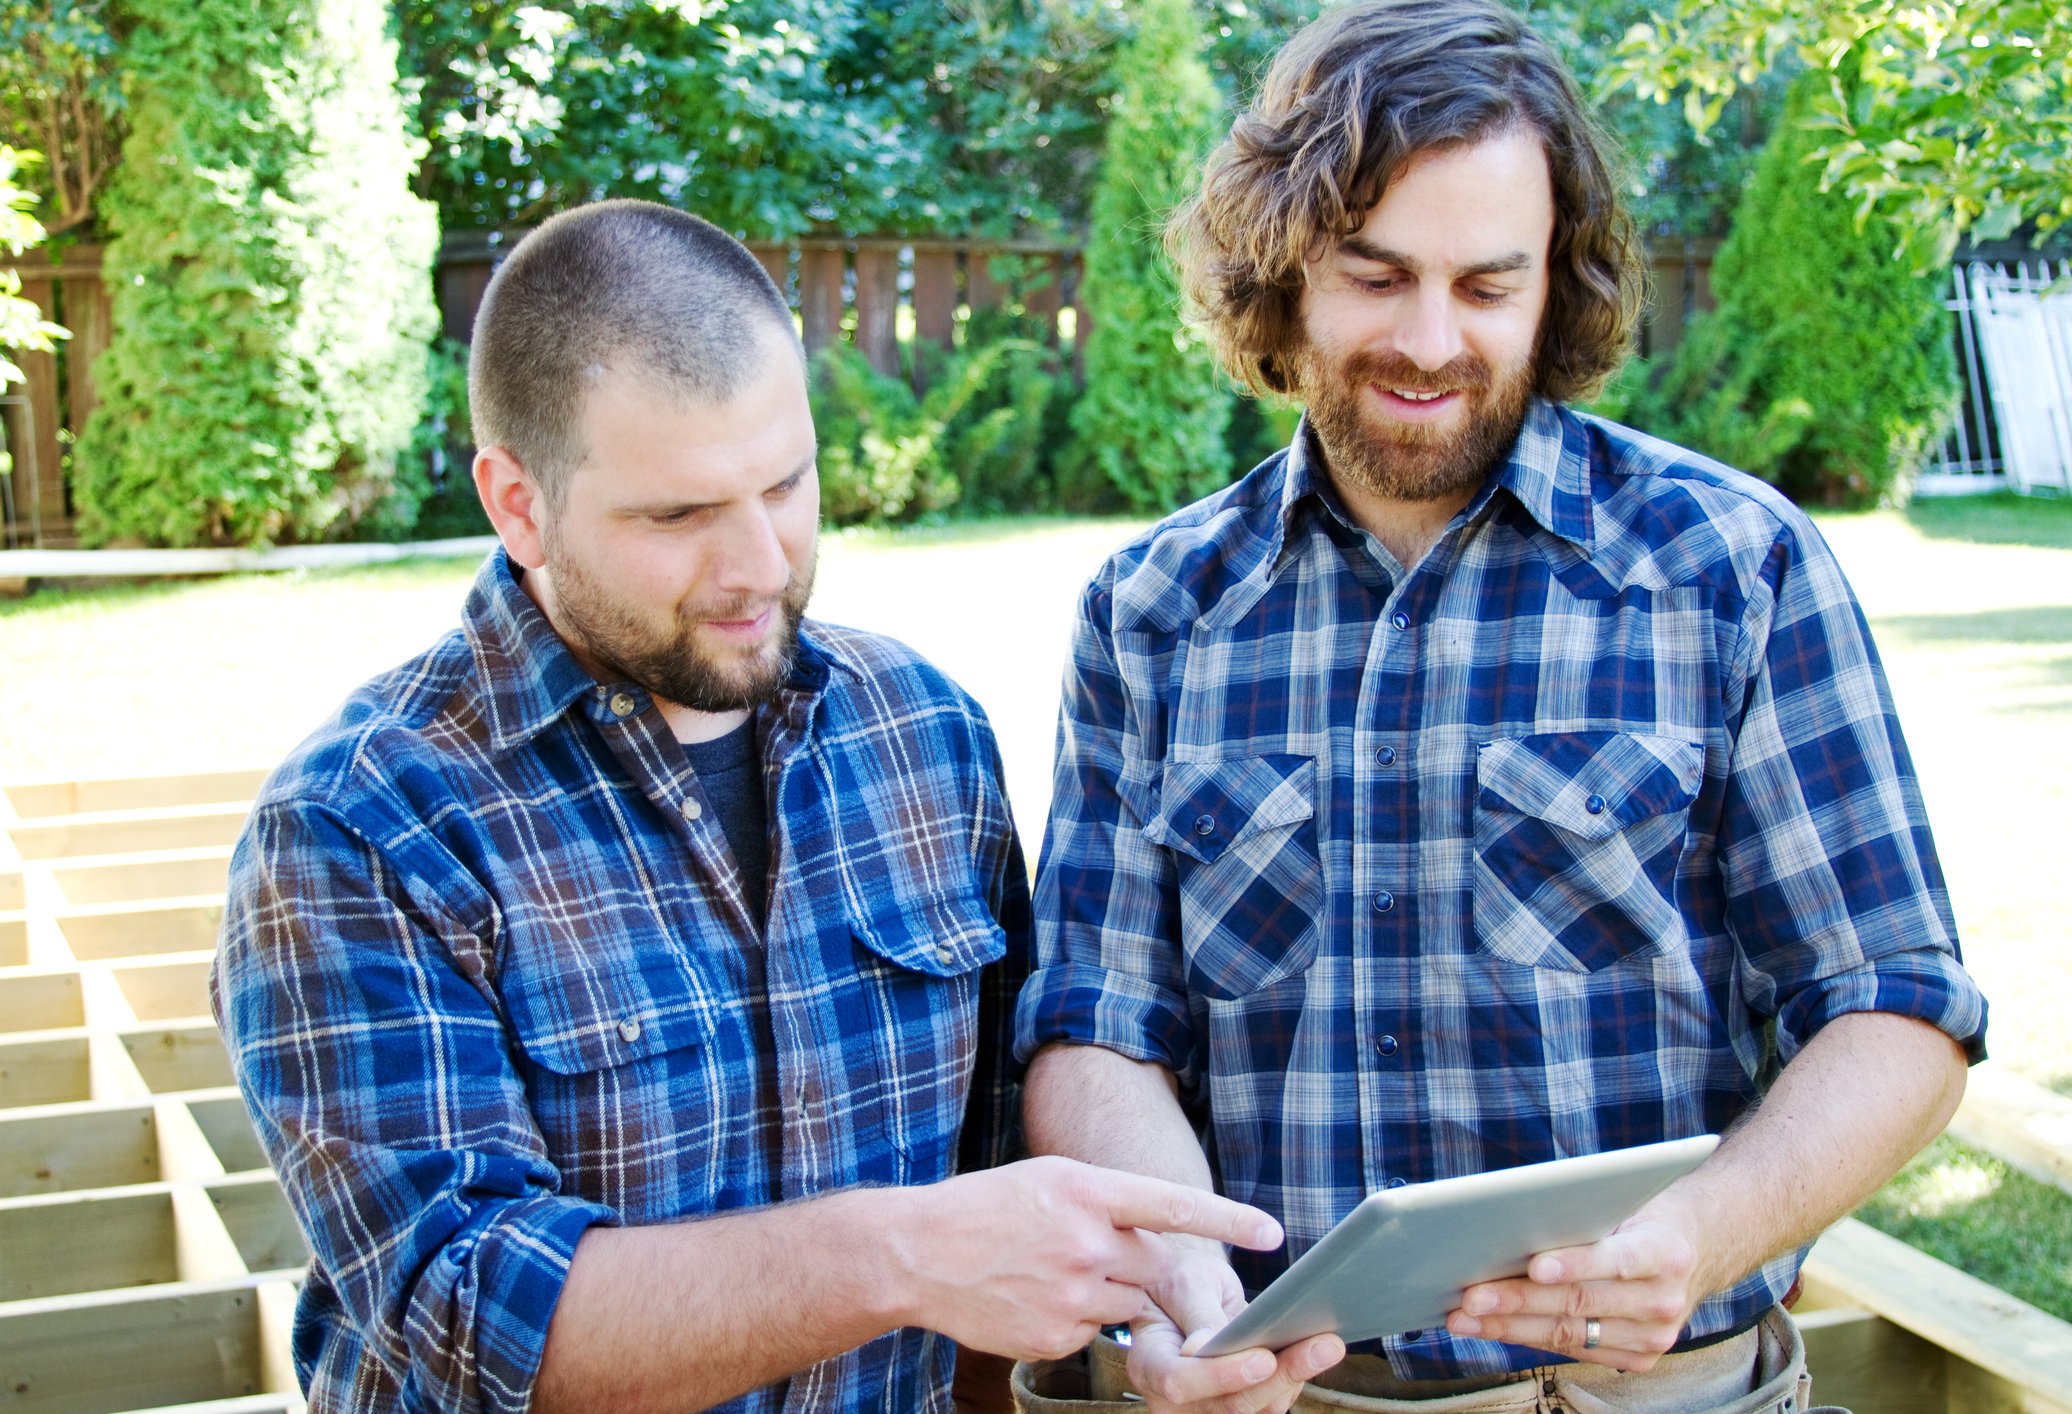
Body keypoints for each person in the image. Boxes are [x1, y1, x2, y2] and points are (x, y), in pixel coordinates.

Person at [1015, 3, 1988, 1412]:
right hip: (1287, 1392)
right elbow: (1097, 1025)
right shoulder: (1152, 608)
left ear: (1556, 283)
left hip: (1636, 1388)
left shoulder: (1732, 567)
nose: (1427, 342)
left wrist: (1697, 1238)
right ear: (1283, 273)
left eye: (1486, 285)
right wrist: (1186, 1274)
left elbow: (1898, 1006)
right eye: (1374, 274)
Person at [211, 199, 1282, 1414]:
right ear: (518, 503)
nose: (762, 564)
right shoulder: (361, 825)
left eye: (785, 483)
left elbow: (998, 1205)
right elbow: (469, 1316)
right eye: (678, 515)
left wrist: (1131, 1331)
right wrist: (900, 1257)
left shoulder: (921, 733)